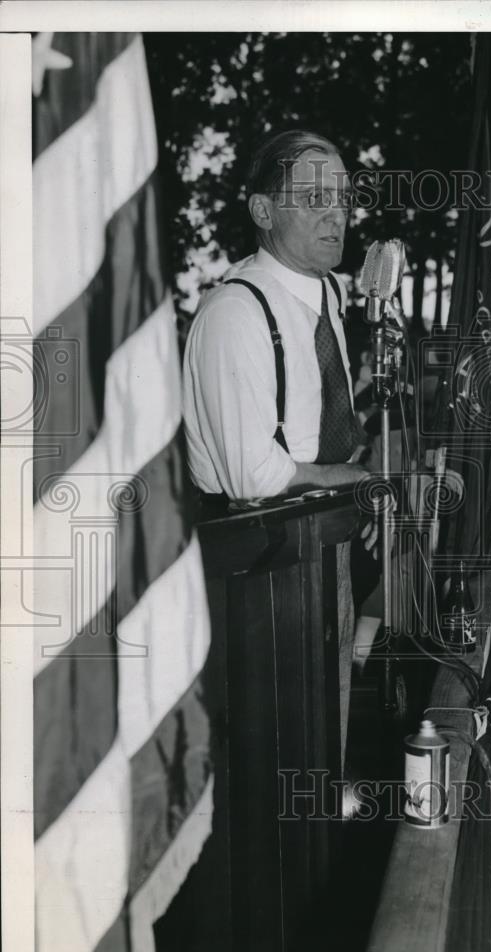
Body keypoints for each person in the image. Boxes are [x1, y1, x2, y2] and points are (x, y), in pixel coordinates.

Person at [182, 129, 375, 765]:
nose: (335, 212)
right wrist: (354, 478)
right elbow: (252, 477)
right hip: (257, 578)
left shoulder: (330, 298)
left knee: (331, 739)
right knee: (274, 760)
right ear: (263, 212)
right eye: (313, 196)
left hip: (327, 558)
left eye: (342, 196)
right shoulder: (235, 313)